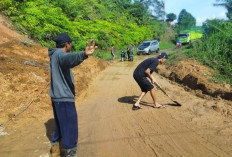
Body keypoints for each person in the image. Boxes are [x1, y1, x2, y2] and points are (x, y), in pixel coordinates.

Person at [48, 33, 97, 157]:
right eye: (71, 43)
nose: (71, 45)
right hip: (64, 98)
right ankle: (69, 154)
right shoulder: (61, 55)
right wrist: (84, 54)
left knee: (59, 126)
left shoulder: (54, 55)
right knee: (70, 130)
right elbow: (68, 60)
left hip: (57, 98)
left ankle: (55, 151)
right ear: (67, 44)